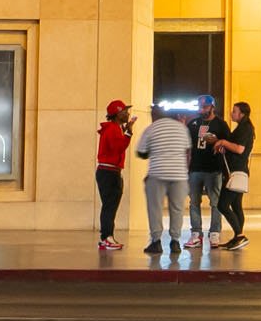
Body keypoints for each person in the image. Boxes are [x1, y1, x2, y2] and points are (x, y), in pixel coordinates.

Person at [133, 101, 194, 256]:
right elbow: (187, 152)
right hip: (179, 176)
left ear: (154, 115)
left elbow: (141, 152)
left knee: (155, 209)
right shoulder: (182, 129)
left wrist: (154, 151)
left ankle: (156, 241)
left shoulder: (151, 129)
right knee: (177, 209)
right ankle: (175, 242)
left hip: (157, 175)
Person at [210, 100, 256, 249]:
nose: (232, 113)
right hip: (235, 171)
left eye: (234, 111)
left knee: (222, 205)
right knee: (236, 206)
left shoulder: (245, 129)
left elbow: (240, 149)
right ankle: (237, 237)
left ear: (242, 114)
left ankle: (240, 236)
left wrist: (223, 142)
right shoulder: (241, 128)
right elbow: (234, 148)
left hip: (236, 172)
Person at [93, 99, 132, 252]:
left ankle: (106, 238)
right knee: (110, 206)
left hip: (108, 172)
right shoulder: (113, 129)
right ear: (117, 114)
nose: (127, 113)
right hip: (109, 172)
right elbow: (118, 148)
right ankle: (107, 237)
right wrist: (129, 132)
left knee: (109, 205)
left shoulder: (114, 128)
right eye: (124, 111)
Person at [184, 106, 226, 247]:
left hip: (214, 169)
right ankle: (196, 234)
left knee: (216, 202)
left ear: (212, 107)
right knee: (194, 202)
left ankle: (214, 233)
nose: (201, 109)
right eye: (199, 106)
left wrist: (217, 141)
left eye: (204, 106)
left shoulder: (220, 124)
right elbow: (187, 146)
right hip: (195, 169)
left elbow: (228, 145)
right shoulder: (193, 124)